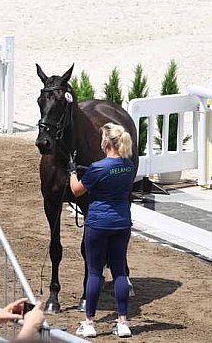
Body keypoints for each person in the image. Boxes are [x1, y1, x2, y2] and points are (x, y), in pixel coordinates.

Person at [69, 123, 135, 338]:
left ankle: (89, 322)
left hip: (98, 223)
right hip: (122, 222)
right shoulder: (128, 165)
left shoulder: (98, 167)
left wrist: (72, 171)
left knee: (95, 271)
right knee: (119, 272)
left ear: (106, 142)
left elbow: (77, 190)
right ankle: (123, 321)